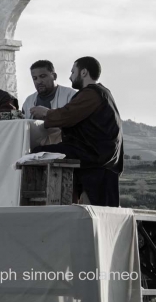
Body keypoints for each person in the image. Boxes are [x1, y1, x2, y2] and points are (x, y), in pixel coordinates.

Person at [30, 57, 124, 207]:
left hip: (93, 154)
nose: (70, 76)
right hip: (98, 154)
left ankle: (41, 206)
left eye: (73, 72)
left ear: (84, 72)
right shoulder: (102, 92)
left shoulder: (91, 93)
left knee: (35, 154)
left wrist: (46, 114)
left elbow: (67, 115)